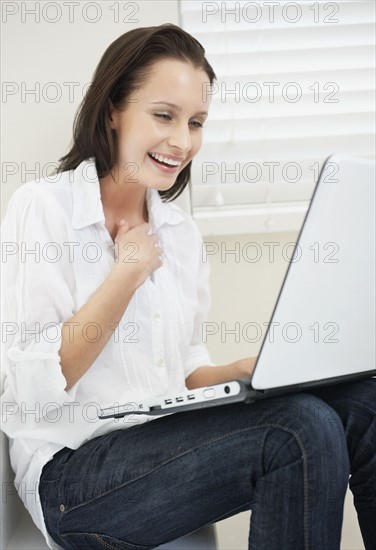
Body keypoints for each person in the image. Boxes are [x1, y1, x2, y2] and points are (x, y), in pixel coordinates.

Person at [1, 23, 375, 550]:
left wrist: (245, 372)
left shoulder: (180, 233)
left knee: (365, 403)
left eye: (196, 122)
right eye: (164, 115)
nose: (182, 141)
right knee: (298, 431)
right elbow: (33, 392)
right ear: (113, 109)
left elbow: (183, 371)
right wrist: (126, 273)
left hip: (160, 447)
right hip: (71, 477)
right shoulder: (42, 210)